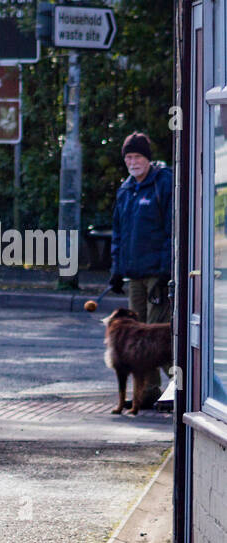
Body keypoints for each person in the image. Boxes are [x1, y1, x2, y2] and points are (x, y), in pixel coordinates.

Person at [110, 131, 173, 408]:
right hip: (134, 273)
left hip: (157, 274)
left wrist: (166, 271)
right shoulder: (125, 191)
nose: (133, 162)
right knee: (138, 339)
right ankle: (147, 392)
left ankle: (176, 387)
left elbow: (173, 230)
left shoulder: (163, 184)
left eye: (137, 156)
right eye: (128, 157)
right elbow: (118, 234)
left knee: (159, 335)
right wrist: (116, 269)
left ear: (147, 158)